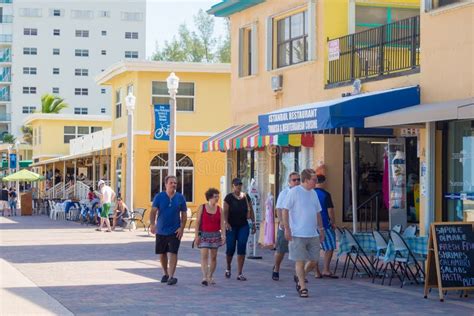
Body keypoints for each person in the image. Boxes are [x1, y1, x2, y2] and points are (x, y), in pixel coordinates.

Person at [282, 169, 324, 298]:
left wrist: (321, 229)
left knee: (314, 260)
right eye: (314, 179)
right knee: (299, 260)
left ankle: (300, 276)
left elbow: (318, 212)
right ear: (306, 180)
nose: (316, 182)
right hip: (297, 233)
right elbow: (285, 210)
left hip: (312, 233)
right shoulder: (294, 192)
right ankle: (302, 287)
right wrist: (287, 228)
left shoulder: (314, 194)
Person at [149, 175, 187, 286]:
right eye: (171, 183)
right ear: (165, 184)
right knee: (162, 254)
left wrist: (182, 228)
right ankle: (165, 273)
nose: (173, 184)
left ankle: (171, 276)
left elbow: (184, 215)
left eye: (175, 183)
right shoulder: (159, 197)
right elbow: (153, 212)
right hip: (161, 230)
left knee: (173, 252)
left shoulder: (180, 197)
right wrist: (152, 224)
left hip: (175, 231)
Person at [223, 178, 256, 281]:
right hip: (231, 226)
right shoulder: (229, 197)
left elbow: (251, 210)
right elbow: (225, 212)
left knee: (242, 246)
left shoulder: (246, 196)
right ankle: (228, 267)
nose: (238, 186)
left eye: (240, 184)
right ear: (233, 186)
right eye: (237, 184)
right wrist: (226, 222)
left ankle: (240, 273)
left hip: (243, 225)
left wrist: (253, 223)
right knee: (230, 248)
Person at [272, 172, 300, 281]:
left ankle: (299, 274)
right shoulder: (285, 193)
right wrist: (282, 222)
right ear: (289, 182)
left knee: (299, 251)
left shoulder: (303, 193)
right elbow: (279, 208)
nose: (297, 181)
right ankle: (276, 268)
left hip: (298, 227)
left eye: (298, 179)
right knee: (281, 250)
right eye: (294, 180)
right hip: (286, 226)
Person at [194, 188, 225, 286]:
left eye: (218, 196)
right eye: (215, 197)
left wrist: (223, 235)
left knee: (213, 257)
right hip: (204, 234)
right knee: (204, 255)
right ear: (210, 197)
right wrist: (196, 236)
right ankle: (204, 277)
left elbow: (222, 224)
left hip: (215, 234)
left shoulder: (220, 209)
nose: (217, 198)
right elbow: (197, 222)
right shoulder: (202, 207)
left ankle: (210, 275)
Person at [314, 174, 338, 279]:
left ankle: (316, 271)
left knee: (314, 248)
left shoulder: (311, 193)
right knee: (330, 246)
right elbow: (330, 210)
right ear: (324, 182)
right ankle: (326, 269)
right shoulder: (325, 194)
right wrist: (333, 222)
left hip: (312, 224)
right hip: (324, 224)